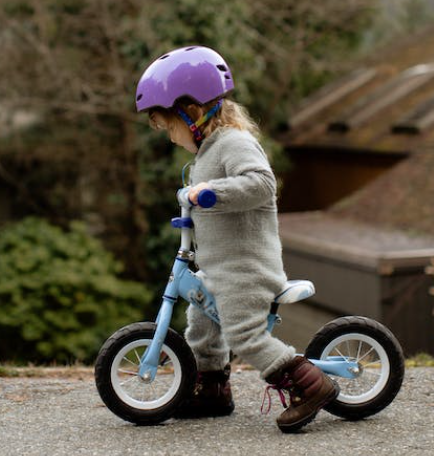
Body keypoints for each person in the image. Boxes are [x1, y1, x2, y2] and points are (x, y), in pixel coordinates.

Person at [135, 45, 338, 433]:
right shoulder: (207, 152)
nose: (171, 139)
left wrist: (213, 192)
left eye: (169, 128)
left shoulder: (233, 143)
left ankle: (309, 384)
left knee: (242, 333)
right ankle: (211, 390)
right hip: (219, 265)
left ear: (190, 112)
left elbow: (261, 185)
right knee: (200, 323)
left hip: (246, 267)